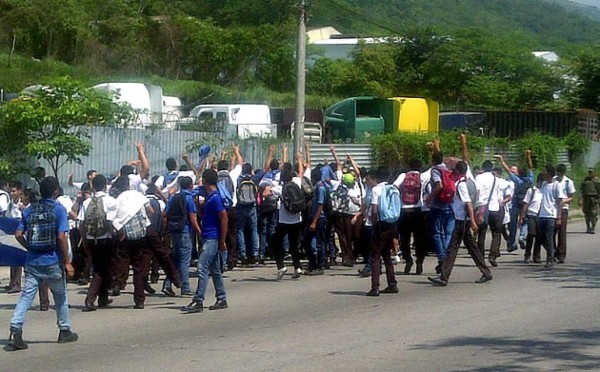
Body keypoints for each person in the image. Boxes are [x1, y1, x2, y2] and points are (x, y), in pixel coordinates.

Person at [6, 177, 78, 351]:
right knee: (60, 295)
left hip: (32, 260)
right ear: (55, 192)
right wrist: (67, 262)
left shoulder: (30, 210)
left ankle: (16, 327)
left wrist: (29, 247)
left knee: (26, 296)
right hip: (52, 259)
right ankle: (64, 330)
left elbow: (18, 234)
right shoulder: (59, 210)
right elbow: (61, 237)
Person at [428, 161, 492, 286]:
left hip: (462, 220)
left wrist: (472, 221)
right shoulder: (470, 182)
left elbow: (468, 203)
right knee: (466, 248)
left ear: (457, 170)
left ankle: (444, 277)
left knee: (454, 248)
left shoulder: (461, 185)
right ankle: (484, 272)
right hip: (462, 220)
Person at [181, 169, 229, 314]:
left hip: (213, 237)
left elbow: (224, 218)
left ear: (205, 181)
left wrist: (222, 240)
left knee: (202, 267)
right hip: (209, 236)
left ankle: (198, 300)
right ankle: (221, 298)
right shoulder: (210, 197)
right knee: (215, 270)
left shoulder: (215, 198)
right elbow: (206, 216)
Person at [78, 174, 118, 311]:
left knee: (101, 267)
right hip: (105, 238)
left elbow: (81, 224)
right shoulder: (110, 201)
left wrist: (84, 240)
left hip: (90, 238)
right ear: (106, 185)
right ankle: (90, 299)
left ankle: (103, 297)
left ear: (93, 186)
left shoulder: (86, 202)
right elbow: (111, 222)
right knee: (100, 270)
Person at [162, 176, 201, 297]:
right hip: (185, 231)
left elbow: (165, 214)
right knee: (185, 260)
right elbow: (193, 218)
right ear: (190, 186)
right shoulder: (189, 199)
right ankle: (185, 287)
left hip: (174, 231)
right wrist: (200, 232)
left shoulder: (174, 198)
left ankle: (168, 284)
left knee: (176, 259)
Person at [367, 168, 399, 296]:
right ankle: (392, 284)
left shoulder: (376, 190)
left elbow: (374, 210)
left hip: (381, 226)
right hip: (393, 224)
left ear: (376, 178)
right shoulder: (393, 188)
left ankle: (375, 287)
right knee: (386, 254)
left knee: (375, 255)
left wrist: (373, 223)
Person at [393, 158, 427, 275]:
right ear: (420, 166)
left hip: (404, 210)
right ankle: (419, 261)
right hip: (418, 210)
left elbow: (394, 186)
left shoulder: (403, 175)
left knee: (404, 238)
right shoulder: (422, 176)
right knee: (419, 238)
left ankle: (408, 259)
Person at [497, 151, 534, 251]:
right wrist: (528, 156)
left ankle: (512, 243)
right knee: (525, 221)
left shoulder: (517, 180)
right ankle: (522, 236)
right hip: (526, 204)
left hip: (515, 203)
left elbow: (508, 171)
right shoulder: (530, 179)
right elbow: (530, 167)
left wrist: (501, 160)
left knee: (513, 224)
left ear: (518, 173)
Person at [474, 160, 502, 267]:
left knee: (481, 232)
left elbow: (477, 191)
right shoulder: (496, 179)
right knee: (496, 232)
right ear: (491, 168)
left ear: (482, 167)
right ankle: (493, 255)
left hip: (482, 208)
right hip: (494, 208)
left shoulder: (479, 178)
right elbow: (499, 196)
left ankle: (481, 256)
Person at [538, 165, 566, 268]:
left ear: (549, 173)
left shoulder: (556, 185)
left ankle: (550, 259)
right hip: (542, 215)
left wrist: (558, 217)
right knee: (540, 237)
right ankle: (553, 252)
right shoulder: (544, 185)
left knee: (549, 237)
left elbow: (560, 202)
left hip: (551, 215)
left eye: (544, 172)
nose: (542, 173)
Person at [553, 163, 576, 263]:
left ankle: (561, 254)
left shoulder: (568, 182)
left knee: (561, 233)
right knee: (551, 232)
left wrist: (564, 201)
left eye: (561, 173)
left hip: (563, 209)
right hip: (552, 208)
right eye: (558, 173)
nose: (559, 175)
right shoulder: (553, 180)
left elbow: (571, 197)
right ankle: (553, 252)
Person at [519, 174, 544, 263]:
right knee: (531, 234)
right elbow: (525, 204)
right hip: (531, 215)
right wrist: (522, 217)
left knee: (539, 237)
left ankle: (536, 256)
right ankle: (527, 255)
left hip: (541, 216)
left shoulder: (544, 191)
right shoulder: (532, 190)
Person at [579, 168, 600, 234]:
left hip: (594, 199)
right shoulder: (585, 181)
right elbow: (581, 190)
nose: (590, 173)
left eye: (591, 172)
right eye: (589, 172)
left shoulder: (597, 181)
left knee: (594, 214)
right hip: (586, 199)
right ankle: (588, 227)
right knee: (586, 214)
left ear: (594, 172)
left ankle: (592, 227)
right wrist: (580, 199)